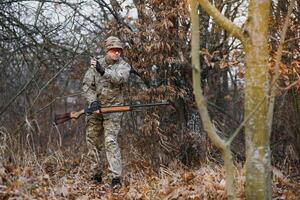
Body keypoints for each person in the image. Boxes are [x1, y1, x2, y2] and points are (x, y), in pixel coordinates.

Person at [82, 36, 131, 189]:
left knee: (110, 141)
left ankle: (115, 178)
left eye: (119, 50)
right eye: (113, 50)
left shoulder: (124, 66)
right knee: (92, 142)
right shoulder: (95, 65)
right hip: (95, 111)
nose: (117, 53)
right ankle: (95, 175)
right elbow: (86, 86)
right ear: (107, 50)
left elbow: (120, 79)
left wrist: (103, 71)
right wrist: (92, 101)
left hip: (113, 111)